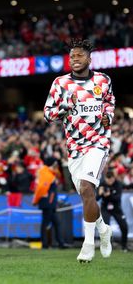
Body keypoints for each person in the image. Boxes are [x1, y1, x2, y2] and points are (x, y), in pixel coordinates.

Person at [44, 39, 115, 262]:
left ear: (89, 59)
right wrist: (66, 106)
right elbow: (48, 114)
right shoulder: (60, 83)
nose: (75, 60)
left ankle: (88, 244)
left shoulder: (103, 80)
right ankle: (103, 229)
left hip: (98, 142)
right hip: (75, 147)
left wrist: (107, 116)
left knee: (86, 188)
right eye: (72, 56)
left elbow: (110, 103)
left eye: (79, 56)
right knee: (87, 196)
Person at [32, 157, 66, 249]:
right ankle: (47, 243)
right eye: (55, 164)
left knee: (54, 222)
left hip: (49, 202)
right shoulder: (46, 174)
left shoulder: (47, 172)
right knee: (47, 223)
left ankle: (59, 243)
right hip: (48, 202)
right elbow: (41, 188)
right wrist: (35, 200)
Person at [97, 170, 129, 252]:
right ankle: (107, 246)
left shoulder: (118, 184)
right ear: (105, 179)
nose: (110, 182)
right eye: (108, 180)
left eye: (111, 180)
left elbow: (118, 198)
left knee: (124, 226)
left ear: (114, 178)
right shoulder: (102, 184)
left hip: (116, 208)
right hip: (105, 208)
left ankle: (124, 246)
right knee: (105, 227)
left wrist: (109, 195)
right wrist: (100, 194)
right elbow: (96, 198)